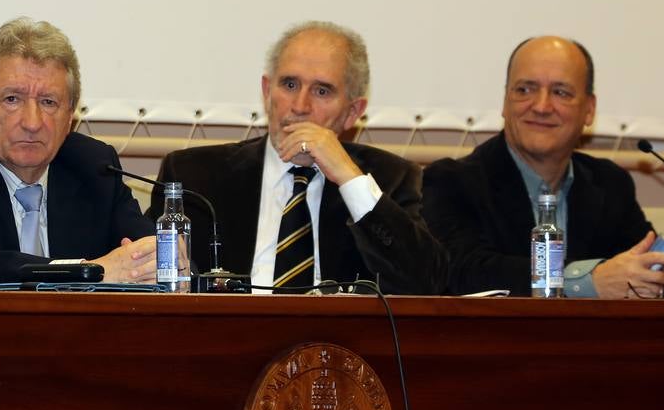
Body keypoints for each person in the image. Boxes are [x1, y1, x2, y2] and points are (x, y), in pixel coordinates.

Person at [147, 22, 447, 294]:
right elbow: (153, 285)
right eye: (289, 85)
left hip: (340, 349)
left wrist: (348, 178)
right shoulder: (194, 175)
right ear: (267, 92)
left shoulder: (390, 178)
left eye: (321, 91)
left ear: (353, 112)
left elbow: (428, 284)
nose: (300, 106)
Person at [423, 36, 664, 298]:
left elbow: (638, 263)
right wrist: (583, 281)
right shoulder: (451, 181)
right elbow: (461, 272)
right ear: (505, 102)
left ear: (589, 109)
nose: (541, 106)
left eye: (560, 92)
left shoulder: (610, 183)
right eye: (524, 90)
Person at [0, 17, 156, 285]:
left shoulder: (95, 167)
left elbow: (148, 250)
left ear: (70, 115)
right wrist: (87, 271)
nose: (32, 123)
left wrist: (167, 261)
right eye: (12, 99)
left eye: (48, 102)